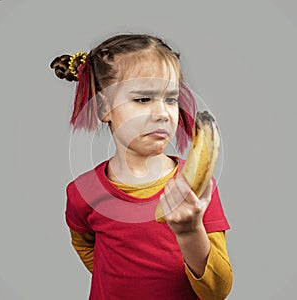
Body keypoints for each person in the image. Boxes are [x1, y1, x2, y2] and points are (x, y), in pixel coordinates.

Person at [50, 33, 232, 300]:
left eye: (171, 99)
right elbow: (86, 245)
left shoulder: (197, 189)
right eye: (143, 99)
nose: (163, 113)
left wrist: (191, 231)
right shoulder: (83, 192)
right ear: (104, 107)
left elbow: (217, 291)